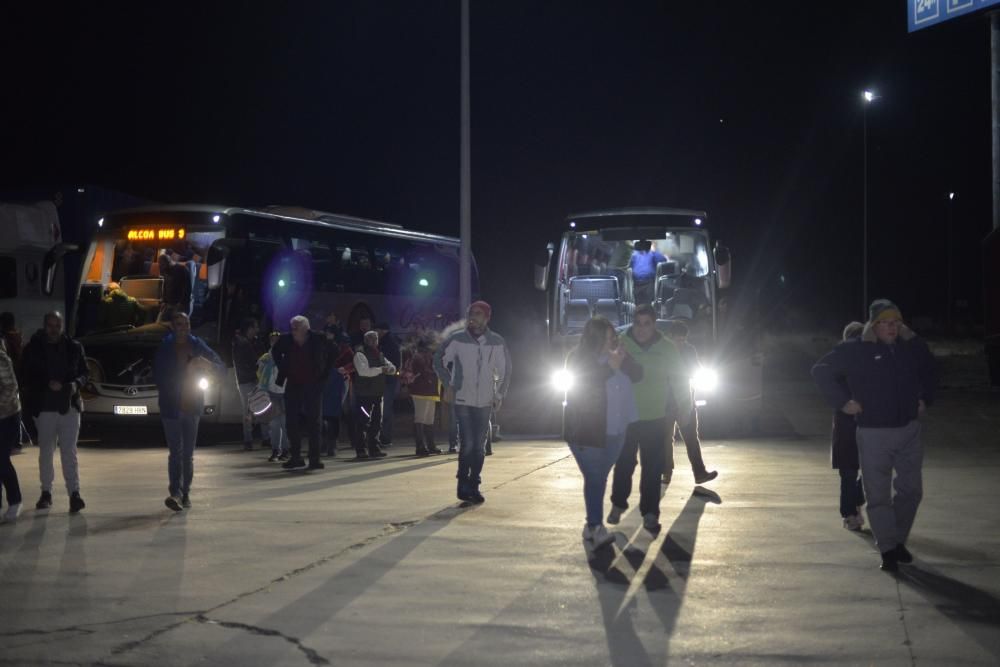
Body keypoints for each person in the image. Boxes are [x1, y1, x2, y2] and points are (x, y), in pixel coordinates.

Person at [812, 299, 936, 573]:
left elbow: (929, 366)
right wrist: (844, 403)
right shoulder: (856, 350)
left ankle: (897, 540)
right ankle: (888, 549)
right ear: (873, 325)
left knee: (911, 491)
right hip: (873, 433)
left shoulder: (908, 348)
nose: (892, 328)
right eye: (885, 323)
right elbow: (821, 371)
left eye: (896, 323)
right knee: (878, 495)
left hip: (908, 431)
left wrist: (926, 398)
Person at [608, 304, 691, 533]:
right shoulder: (621, 344)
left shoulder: (667, 348)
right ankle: (618, 504)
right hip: (626, 417)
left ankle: (650, 512)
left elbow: (680, 379)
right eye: (638, 323)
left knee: (652, 468)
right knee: (624, 464)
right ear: (632, 323)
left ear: (654, 324)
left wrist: (686, 406)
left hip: (655, 416)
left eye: (647, 324)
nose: (642, 329)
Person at [563, 316, 643, 549]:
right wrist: (611, 367)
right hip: (587, 432)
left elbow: (639, 375)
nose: (613, 341)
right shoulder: (578, 359)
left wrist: (624, 359)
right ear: (595, 338)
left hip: (618, 429)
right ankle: (596, 527)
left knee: (597, 478)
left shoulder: (618, 356)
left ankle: (591, 526)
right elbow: (586, 385)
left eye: (614, 337)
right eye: (608, 337)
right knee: (596, 478)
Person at [433, 301, 511, 504]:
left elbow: (505, 370)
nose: (473, 317)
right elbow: (439, 359)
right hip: (463, 399)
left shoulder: (496, 341)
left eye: (477, 314)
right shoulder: (457, 340)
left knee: (479, 446)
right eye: (470, 314)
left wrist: (499, 395)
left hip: (485, 401)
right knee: (467, 444)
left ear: (486, 317)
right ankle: (462, 483)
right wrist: (448, 384)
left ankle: (474, 484)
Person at [153, 311, 224, 511]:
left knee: (187, 454)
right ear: (173, 327)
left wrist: (206, 364)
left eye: (186, 324)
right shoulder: (166, 347)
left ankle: (185, 493)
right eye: (179, 324)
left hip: (192, 407)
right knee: (175, 452)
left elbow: (221, 367)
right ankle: (174, 492)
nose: (183, 328)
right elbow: (158, 375)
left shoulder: (197, 345)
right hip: (171, 408)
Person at [20, 312, 89, 514]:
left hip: (70, 407)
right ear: (44, 326)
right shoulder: (33, 348)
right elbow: (24, 375)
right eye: (50, 325)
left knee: (70, 453)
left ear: (62, 326)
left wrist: (75, 385)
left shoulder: (74, 347)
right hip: (44, 408)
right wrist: (45, 384)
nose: (54, 329)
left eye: (57, 325)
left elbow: (85, 373)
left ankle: (74, 494)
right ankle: (46, 492)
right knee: (46, 453)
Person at [271, 315, 334, 471]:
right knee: (291, 421)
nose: (293, 330)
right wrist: (283, 368)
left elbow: (334, 351)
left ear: (306, 328)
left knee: (314, 422)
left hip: (313, 384)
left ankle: (314, 459)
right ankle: (296, 457)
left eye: (296, 327)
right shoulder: (286, 340)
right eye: (292, 327)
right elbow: (275, 352)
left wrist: (325, 373)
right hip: (294, 384)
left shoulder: (318, 338)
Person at [664, 320, 718, 485]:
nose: (680, 342)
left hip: (686, 400)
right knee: (665, 439)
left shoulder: (689, 350)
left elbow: (696, 369)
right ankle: (666, 473)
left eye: (683, 339)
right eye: (677, 339)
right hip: (665, 402)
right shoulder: (662, 352)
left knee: (691, 439)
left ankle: (699, 473)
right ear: (670, 337)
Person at [831, 321, 866, 531]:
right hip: (847, 422)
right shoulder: (839, 364)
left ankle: (854, 505)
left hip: (864, 422)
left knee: (862, 471)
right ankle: (850, 513)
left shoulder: (869, 362)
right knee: (849, 472)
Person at [351, 330, 394, 459]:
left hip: (377, 394)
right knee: (363, 422)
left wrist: (391, 369)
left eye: (376, 338)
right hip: (364, 395)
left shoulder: (379, 354)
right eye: (371, 338)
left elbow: (390, 365)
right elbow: (364, 371)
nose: (374, 341)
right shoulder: (360, 354)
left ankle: (374, 448)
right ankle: (361, 450)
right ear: (366, 340)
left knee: (376, 422)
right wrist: (382, 369)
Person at [404, 334, 443, 457]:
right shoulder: (420, 356)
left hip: (428, 391)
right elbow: (426, 371)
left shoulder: (424, 355)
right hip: (422, 391)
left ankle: (429, 445)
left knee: (427, 419)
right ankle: (421, 446)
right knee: (421, 419)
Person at [0, 338, 22, 522]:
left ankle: (15, 501)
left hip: (7, 416)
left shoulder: (2, 359)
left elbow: (11, 388)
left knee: (1, 459)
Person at [257, 332, 287, 462]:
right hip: (271, 393)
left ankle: (286, 450)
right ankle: (275, 449)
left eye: (277, 340)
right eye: (272, 340)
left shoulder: (287, 355)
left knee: (285, 424)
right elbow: (260, 373)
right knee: (274, 424)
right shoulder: (265, 357)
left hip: (285, 392)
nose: (274, 342)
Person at [232, 317, 262, 450]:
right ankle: (250, 439)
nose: (258, 330)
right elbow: (251, 363)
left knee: (250, 409)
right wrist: (256, 376)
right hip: (248, 380)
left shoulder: (242, 342)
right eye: (255, 327)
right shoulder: (244, 343)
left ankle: (250, 439)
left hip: (245, 380)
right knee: (252, 409)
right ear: (250, 329)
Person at [321, 323, 350, 457]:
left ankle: (331, 443)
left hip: (338, 380)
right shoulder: (321, 345)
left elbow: (351, 361)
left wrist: (344, 370)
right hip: (326, 380)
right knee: (325, 414)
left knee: (332, 414)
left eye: (329, 332)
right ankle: (325, 443)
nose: (327, 335)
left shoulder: (343, 347)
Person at [376, 322, 402, 448]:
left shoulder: (387, 344)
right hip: (388, 380)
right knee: (385, 409)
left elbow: (393, 363)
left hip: (387, 380)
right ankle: (384, 437)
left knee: (385, 410)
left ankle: (385, 437)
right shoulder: (390, 342)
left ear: (382, 330)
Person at [629, 240, 667, 306]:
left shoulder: (634, 254)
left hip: (645, 283)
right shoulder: (634, 254)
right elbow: (663, 260)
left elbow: (663, 260)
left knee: (640, 303)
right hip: (639, 284)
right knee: (645, 303)